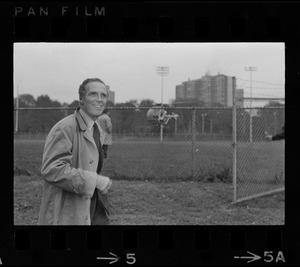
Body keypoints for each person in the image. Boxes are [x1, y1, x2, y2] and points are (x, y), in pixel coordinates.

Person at [38, 78, 112, 225]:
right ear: (81, 99)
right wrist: (95, 180)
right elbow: (51, 169)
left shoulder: (96, 128)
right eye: (93, 94)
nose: (99, 100)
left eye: (103, 95)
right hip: (66, 214)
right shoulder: (65, 128)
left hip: (91, 207)